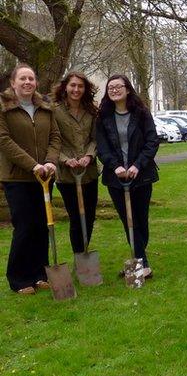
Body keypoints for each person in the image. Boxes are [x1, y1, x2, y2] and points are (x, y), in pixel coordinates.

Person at [0, 63, 60, 294]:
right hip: (17, 178)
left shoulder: (45, 107)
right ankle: (19, 278)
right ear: (13, 83)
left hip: (44, 175)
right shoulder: (4, 108)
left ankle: (40, 274)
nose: (27, 83)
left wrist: (50, 162)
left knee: (42, 226)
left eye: (31, 79)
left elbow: (55, 137)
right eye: (22, 79)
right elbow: (4, 141)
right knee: (24, 227)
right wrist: (32, 164)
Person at [96, 74, 159, 279]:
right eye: (110, 87)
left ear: (128, 89)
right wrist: (115, 166)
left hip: (141, 176)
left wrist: (137, 165)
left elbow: (152, 141)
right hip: (116, 178)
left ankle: (137, 261)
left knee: (141, 219)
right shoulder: (103, 116)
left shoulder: (141, 113)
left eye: (118, 86)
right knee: (128, 221)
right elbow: (102, 146)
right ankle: (142, 265)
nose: (114, 90)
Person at [52, 72, 99, 254]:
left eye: (80, 86)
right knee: (76, 218)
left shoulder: (91, 111)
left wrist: (89, 156)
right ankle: (79, 255)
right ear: (65, 87)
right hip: (67, 175)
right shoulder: (54, 111)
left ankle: (86, 251)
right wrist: (65, 160)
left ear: (85, 89)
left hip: (89, 173)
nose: (76, 89)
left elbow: (95, 138)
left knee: (89, 217)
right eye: (73, 85)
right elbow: (53, 141)